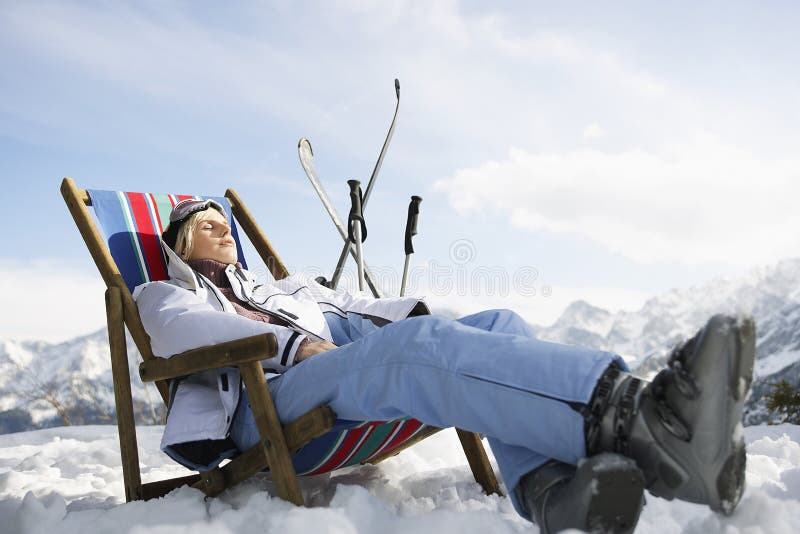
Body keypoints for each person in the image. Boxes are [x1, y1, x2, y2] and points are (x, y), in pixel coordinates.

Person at [133, 198, 755, 533]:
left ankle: (548, 494)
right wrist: (295, 347)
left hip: (335, 376)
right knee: (410, 355)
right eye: (207, 225)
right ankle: (654, 425)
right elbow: (179, 334)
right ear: (180, 244)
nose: (223, 231)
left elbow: (355, 307)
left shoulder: (285, 288)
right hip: (263, 407)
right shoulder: (165, 294)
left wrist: (439, 323)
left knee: (498, 325)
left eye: (225, 222)